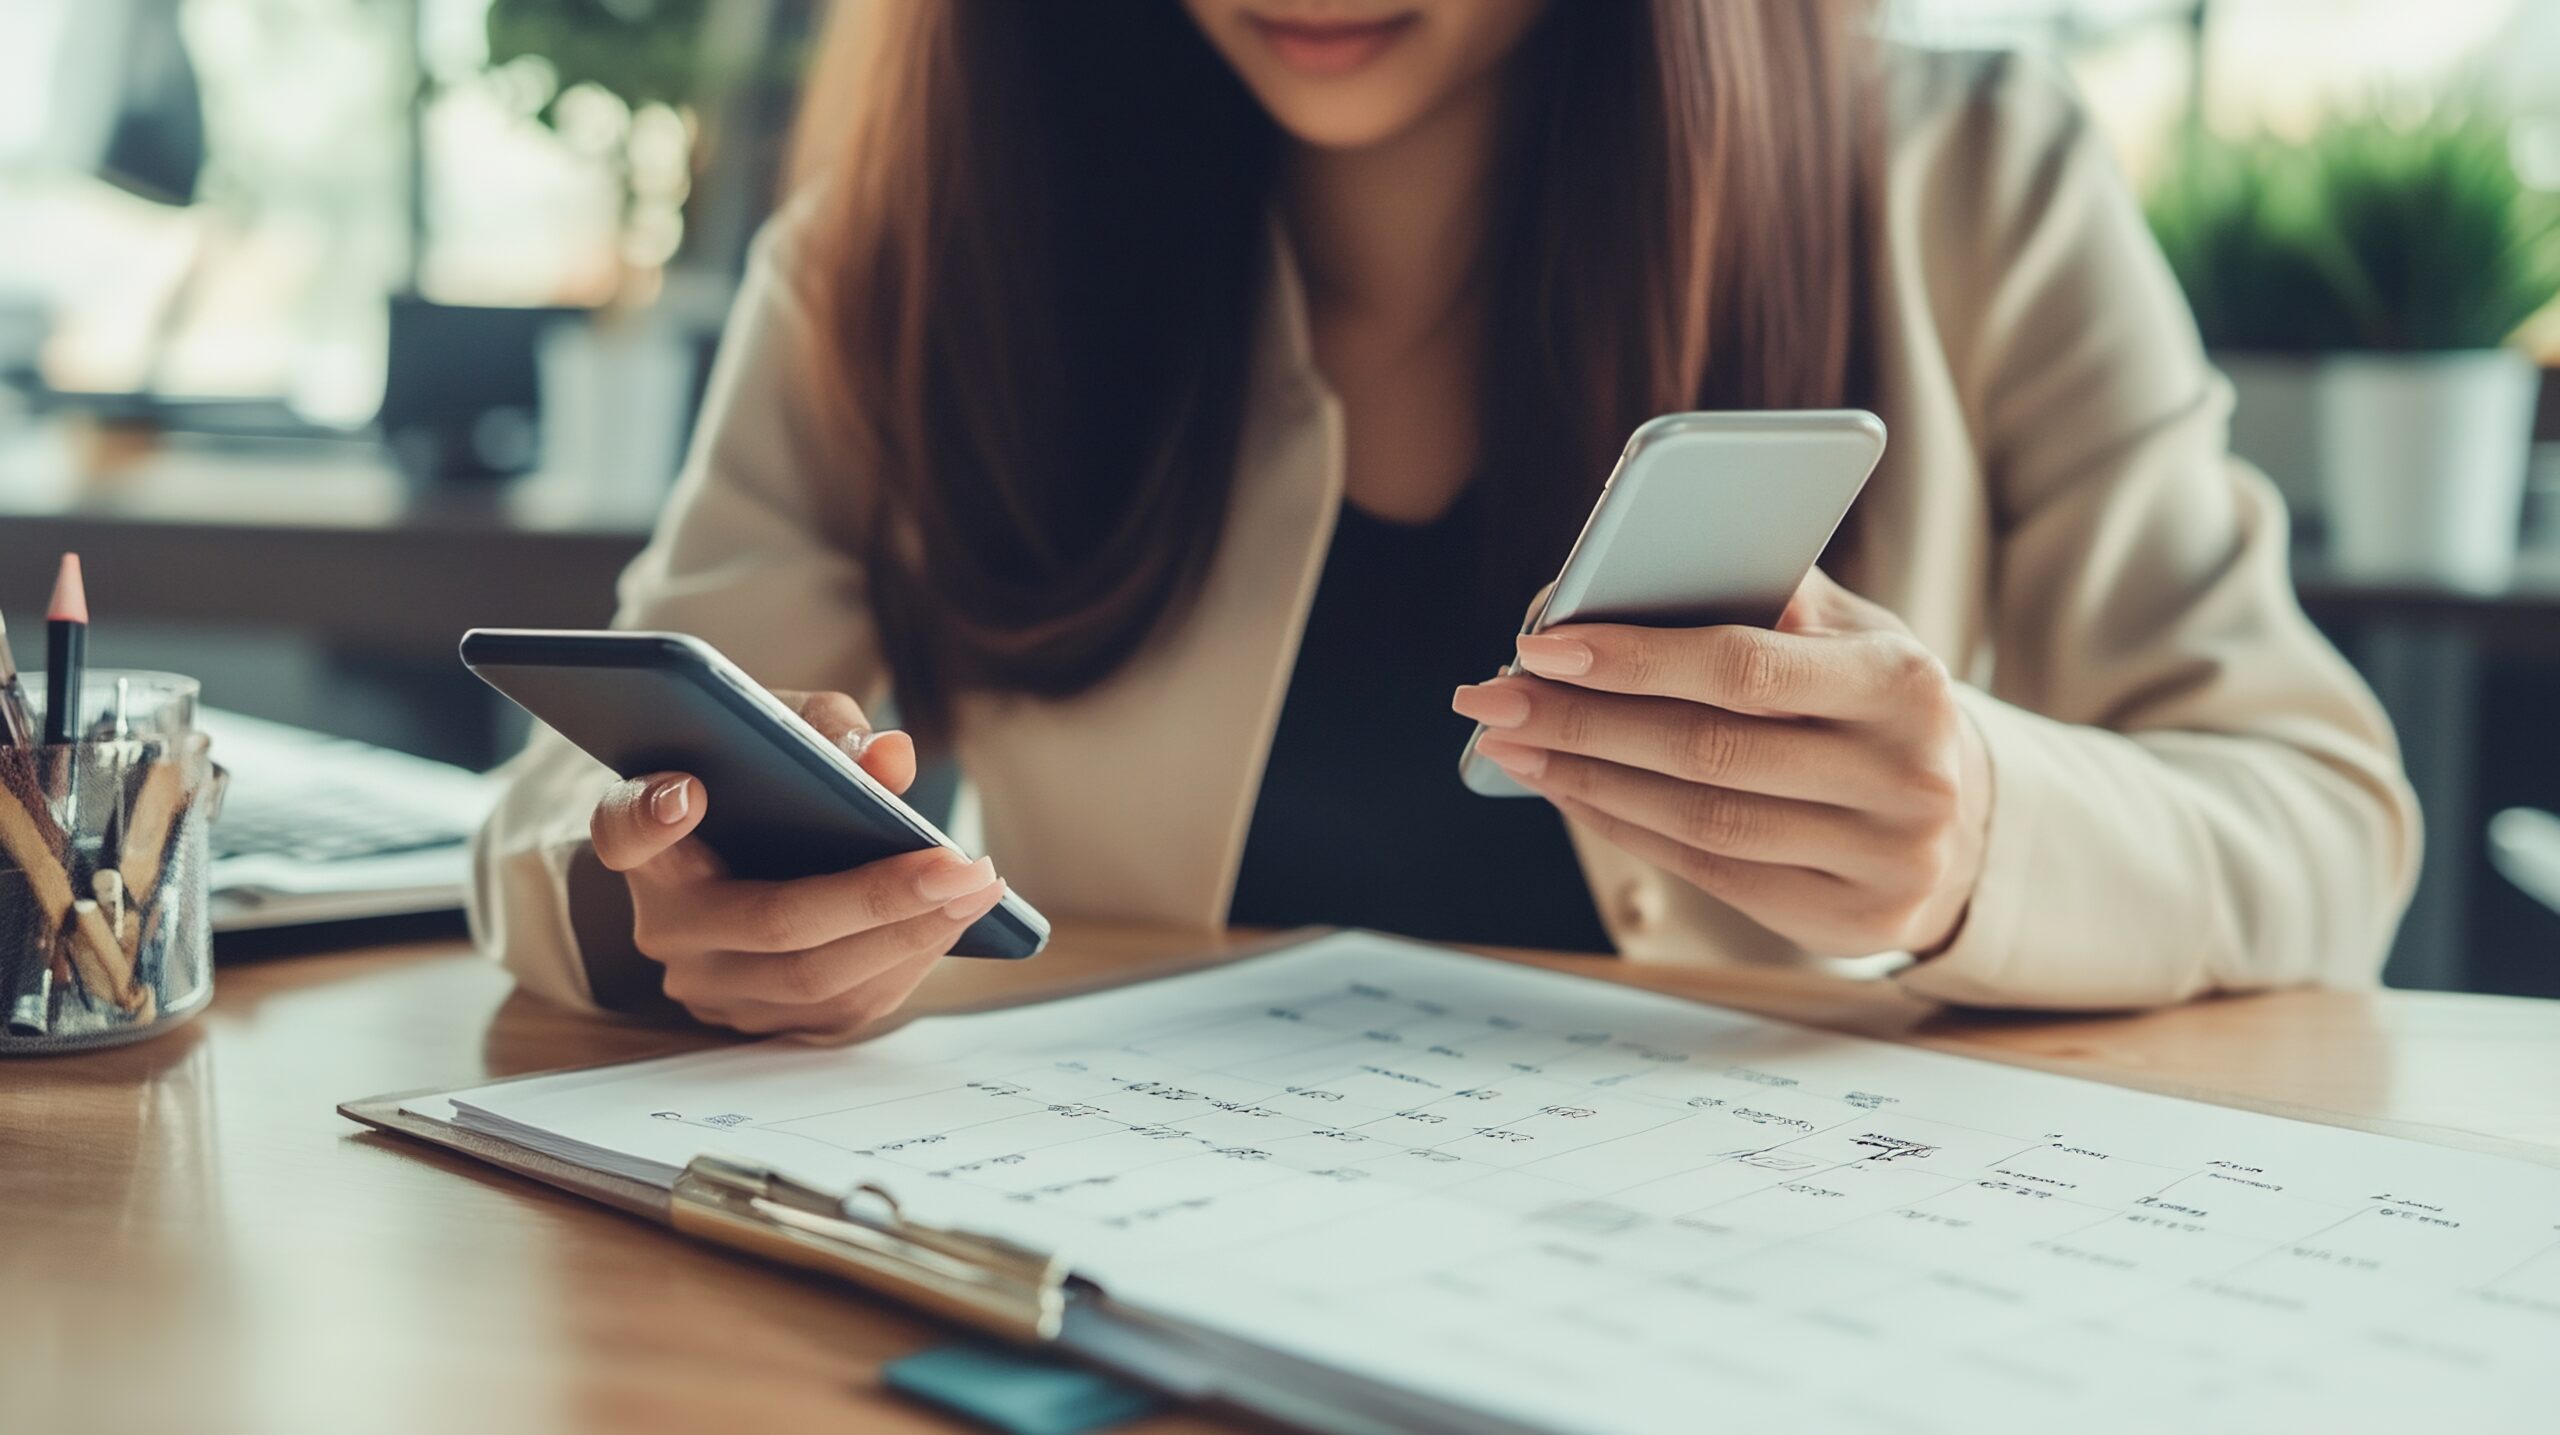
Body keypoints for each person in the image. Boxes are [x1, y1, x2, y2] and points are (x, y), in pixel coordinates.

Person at [472, 1, 2418, 1036]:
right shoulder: (905, 259)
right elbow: (587, 787)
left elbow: (2320, 820)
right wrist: (666, 909)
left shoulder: (1969, 182)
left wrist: (1979, 826)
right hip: (1143, 1305)